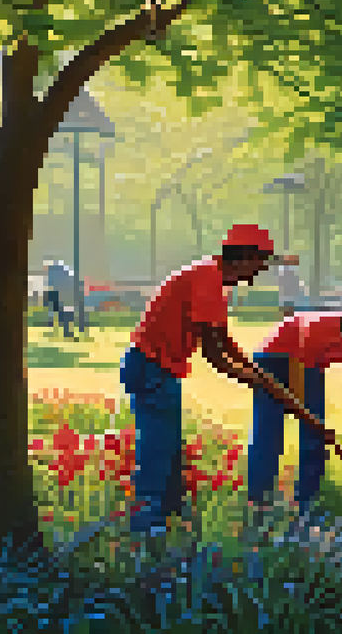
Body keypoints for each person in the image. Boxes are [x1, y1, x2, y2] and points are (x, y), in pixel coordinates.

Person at [121, 225, 277, 536]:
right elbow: (213, 355)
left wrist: (254, 369)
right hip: (151, 367)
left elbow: (222, 337)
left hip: (159, 368)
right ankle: (146, 525)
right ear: (243, 257)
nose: (260, 271)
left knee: (169, 447)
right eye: (260, 263)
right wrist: (253, 380)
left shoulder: (213, 278)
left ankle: (171, 520)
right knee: (158, 447)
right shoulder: (208, 279)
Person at [247, 306, 342, 519]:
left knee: (314, 436)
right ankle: (258, 501)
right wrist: (309, 417)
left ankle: (307, 501)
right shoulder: (318, 326)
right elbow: (300, 370)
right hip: (272, 358)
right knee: (268, 431)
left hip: (308, 364)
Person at [44, 258, 75, 337]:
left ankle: (62, 328)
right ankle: (63, 329)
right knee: (64, 311)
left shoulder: (56, 273)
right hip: (62, 295)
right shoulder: (64, 273)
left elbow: (52, 284)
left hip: (61, 295)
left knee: (63, 311)